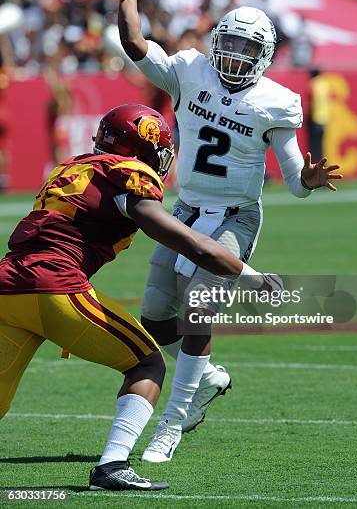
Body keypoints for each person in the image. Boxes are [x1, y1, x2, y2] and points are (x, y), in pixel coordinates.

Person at [118, 0, 342, 464]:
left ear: (264, 55)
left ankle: (171, 425)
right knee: (154, 316)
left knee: (199, 308)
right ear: (218, 38)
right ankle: (208, 378)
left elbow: (293, 181)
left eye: (248, 47)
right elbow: (134, 45)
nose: (236, 54)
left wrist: (306, 177)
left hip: (236, 216)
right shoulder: (191, 70)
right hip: (185, 210)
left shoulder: (275, 101)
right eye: (232, 42)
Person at [0, 103, 273, 492]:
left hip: (7, 285)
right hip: (54, 285)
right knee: (147, 364)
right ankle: (113, 467)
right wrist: (249, 275)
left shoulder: (73, 166)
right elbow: (189, 242)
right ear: (141, 148)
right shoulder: (130, 174)